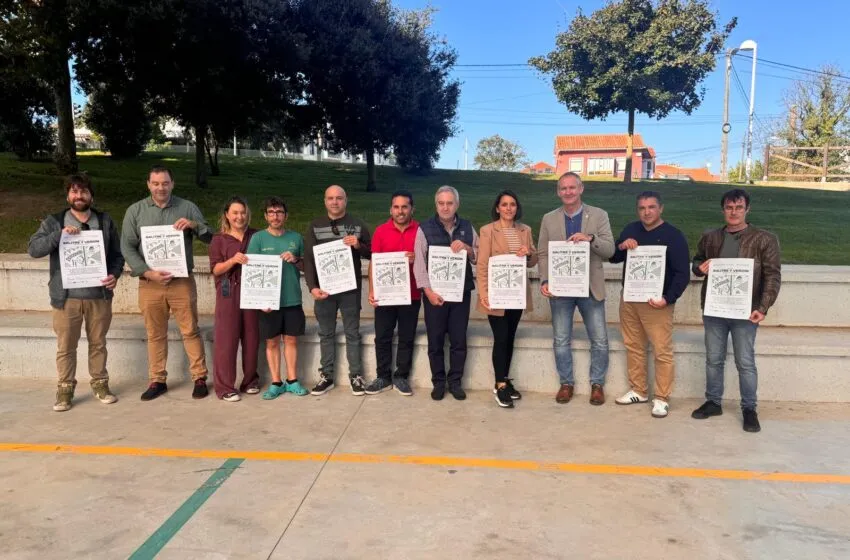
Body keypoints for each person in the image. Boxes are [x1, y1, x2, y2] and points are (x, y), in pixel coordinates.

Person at [27, 174, 124, 411]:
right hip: (66, 297)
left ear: (91, 195)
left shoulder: (104, 221)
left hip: (98, 296)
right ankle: (65, 389)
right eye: (74, 191)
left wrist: (114, 275)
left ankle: (100, 384)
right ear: (67, 195)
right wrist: (57, 236)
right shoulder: (55, 221)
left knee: (98, 343)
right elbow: (34, 249)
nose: (78, 196)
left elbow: (117, 256)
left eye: (83, 192)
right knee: (66, 346)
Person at [690, 188, 781, 433]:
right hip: (715, 308)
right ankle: (713, 401)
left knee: (745, 361)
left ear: (747, 209)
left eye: (738, 207)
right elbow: (696, 262)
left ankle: (749, 408)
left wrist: (763, 307)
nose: (733, 212)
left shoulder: (764, 239)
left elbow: (772, 276)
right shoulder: (710, 237)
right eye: (729, 207)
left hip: (746, 311)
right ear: (723, 210)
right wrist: (700, 268)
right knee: (713, 359)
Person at [121, 165, 213, 401]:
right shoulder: (136, 211)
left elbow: (210, 237)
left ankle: (199, 377)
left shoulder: (187, 207)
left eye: (165, 183)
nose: (160, 188)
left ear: (172, 184)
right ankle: (157, 380)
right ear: (148, 184)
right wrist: (146, 272)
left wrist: (194, 225)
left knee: (190, 329)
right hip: (150, 283)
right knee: (155, 333)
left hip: (181, 281)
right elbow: (127, 246)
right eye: (156, 183)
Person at [610, 191, 690, 419]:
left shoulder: (673, 235)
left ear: (661, 208)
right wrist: (622, 246)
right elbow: (614, 257)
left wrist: (668, 298)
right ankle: (639, 390)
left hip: (657, 303)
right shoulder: (631, 229)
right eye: (642, 208)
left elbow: (682, 273)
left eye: (651, 207)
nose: (647, 212)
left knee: (661, 350)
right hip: (631, 299)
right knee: (633, 345)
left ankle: (662, 398)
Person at [537, 172, 614, 405]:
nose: (568, 192)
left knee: (599, 339)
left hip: (590, 288)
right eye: (563, 188)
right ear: (558, 192)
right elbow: (543, 253)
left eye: (572, 187)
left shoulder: (599, 215)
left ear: (581, 189)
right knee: (561, 339)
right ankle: (566, 383)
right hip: (561, 290)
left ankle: (597, 384)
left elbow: (610, 250)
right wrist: (544, 280)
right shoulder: (549, 219)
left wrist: (590, 239)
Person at [303, 185, 372, 396]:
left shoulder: (357, 224)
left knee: (352, 333)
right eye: (331, 198)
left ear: (346, 200)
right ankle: (327, 376)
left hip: (349, 289)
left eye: (339, 198)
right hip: (324, 291)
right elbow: (309, 259)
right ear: (325, 201)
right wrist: (312, 287)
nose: (335, 202)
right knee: (326, 333)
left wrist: (358, 245)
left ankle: (356, 376)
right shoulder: (315, 226)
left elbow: (372, 252)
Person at [413, 185, 479, 401]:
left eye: (449, 203)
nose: (445, 207)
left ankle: (456, 382)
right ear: (436, 205)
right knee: (436, 341)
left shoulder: (468, 227)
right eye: (441, 203)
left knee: (459, 341)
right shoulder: (424, 229)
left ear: (457, 205)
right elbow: (419, 265)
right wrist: (428, 292)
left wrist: (468, 249)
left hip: (461, 295)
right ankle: (439, 382)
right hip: (435, 296)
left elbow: (479, 255)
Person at [477, 190, 538, 408]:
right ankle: (500, 385)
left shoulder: (525, 230)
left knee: (510, 337)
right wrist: (484, 294)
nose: (509, 208)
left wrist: (528, 253)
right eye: (504, 204)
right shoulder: (487, 231)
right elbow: (482, 264)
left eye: (512, 204)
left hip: (517, 294)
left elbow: (533, 261)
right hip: (496, 294)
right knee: (501, 338)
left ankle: (504, 378)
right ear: (497, 208)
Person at [247, 197, 309, 399]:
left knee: (291, 340)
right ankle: (276, 382)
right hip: (268, 302)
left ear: (286, 215)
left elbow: (306, 266)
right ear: (265, 216)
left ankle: (292, 380)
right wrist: (259, 301)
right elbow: (251, 270)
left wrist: (296, 259)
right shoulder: (257, 239)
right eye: (271, 212)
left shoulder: (296, 238)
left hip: (291, 298)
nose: (275, 216)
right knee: (272, 342)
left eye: (279, 212)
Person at [365, 190, 420, 396]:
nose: (400, 211)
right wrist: (372, 289)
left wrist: (419, 259)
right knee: (382, 336)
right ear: (391, 209)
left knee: (407, 336)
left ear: (411, 209)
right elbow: (374, 263)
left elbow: (429, 261)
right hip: (385, 294)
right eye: (396, 207)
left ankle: (401, 376)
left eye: (404, 206)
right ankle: (383, 376)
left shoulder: (420, 231)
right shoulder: (380, 231)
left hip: (411, 294)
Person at [209, 196, 260, 401]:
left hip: (253, 292)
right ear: (227, 216)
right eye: (235, 213)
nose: (239, 216)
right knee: (226, 341)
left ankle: (250, 381)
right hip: (228, 293)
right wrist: (232, 260)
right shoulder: (219, 240)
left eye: (243, 212)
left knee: (251, 338)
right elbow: (215, 269)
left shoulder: (256, 235)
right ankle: (225, 387)